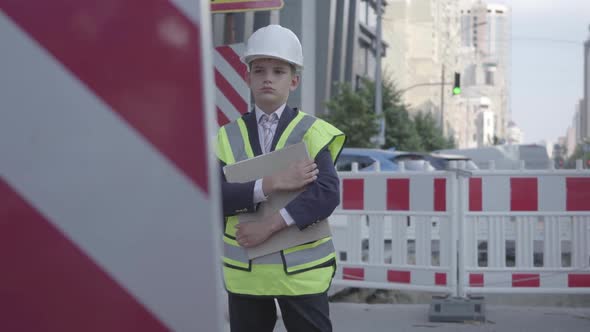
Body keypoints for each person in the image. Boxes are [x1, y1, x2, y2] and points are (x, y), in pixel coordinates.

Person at [216, 24, 346, 332]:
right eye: (259, 70)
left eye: (278, 71)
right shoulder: (226, 136)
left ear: (294, 81)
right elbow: (214, 196)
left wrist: (269, 226)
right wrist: (271, 183)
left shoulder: (313, 131)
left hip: (303, 274)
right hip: (247, 275)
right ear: (247, 78)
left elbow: (326, 194)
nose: (268, 78)